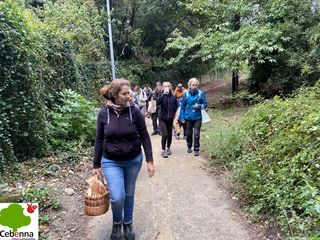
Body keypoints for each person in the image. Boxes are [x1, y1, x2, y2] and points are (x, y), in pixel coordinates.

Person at [92, 79, 155, 240]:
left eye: (129, 93)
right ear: (114, 95)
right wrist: (96, 164)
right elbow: (99, 139)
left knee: (129, 193)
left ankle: (128, 223)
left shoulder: (134, 112)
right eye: (125, 94)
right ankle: (116, 223)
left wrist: (149, 160)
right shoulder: (104, 113)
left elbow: (144, 136)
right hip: (110, 160)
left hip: (133, 160)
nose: (129, 96)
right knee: (117, 196)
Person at [179, 78, 207, 156]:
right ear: (189, 85)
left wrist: (199, 106)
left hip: (197, 117)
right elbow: (182, 107)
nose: (194, 86)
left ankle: (196, 149)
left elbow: (205, 104)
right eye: (193, 85)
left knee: (197, 133)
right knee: (188, 133)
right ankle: (189, 146)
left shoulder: (200, 93)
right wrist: (182, 117)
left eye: (195, 85)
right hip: (188, 117)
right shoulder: (186, 94)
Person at [157, 82, 178, 158]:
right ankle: (163, 150)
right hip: (162, 117)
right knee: (165, 134)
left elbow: (176, 105)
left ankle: (168, 148)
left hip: (170, 118)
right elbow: (158, 102)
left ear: (170, 87)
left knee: (169, 134)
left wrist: (174, 114)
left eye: (168, 86)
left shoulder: (173, 96)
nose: (166, 87)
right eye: (165, 86)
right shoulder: (161, 95)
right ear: (163, 87)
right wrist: (162, 95)